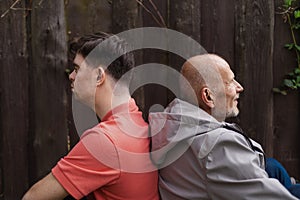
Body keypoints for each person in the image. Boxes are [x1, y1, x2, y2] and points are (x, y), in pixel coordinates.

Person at [22, 32, 159, 200]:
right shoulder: (136, 123)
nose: (71, 76)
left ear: (99, 76)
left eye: (77, 69)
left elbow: (32, 197)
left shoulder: (105, 141)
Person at [149, 54, 299, 199]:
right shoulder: (218, 146)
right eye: (231, 81)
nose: (239, 87)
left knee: (273, 167)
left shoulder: (173, 125)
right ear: (208, 96)